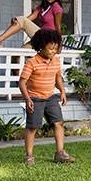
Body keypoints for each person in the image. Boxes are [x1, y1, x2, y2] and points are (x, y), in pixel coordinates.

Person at [19, 29, 75, 165]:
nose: (53, 51)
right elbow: (22, 82)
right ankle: (29, 156)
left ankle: (60, 153)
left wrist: (62, 92)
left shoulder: (56, 61)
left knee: (58, 123)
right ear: (40, 47)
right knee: (32, 127)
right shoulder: (31, 63)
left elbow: (58, 77)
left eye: (55, 48)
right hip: (35, 98)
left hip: (51, 97)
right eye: (50, 48)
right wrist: (28, 99)